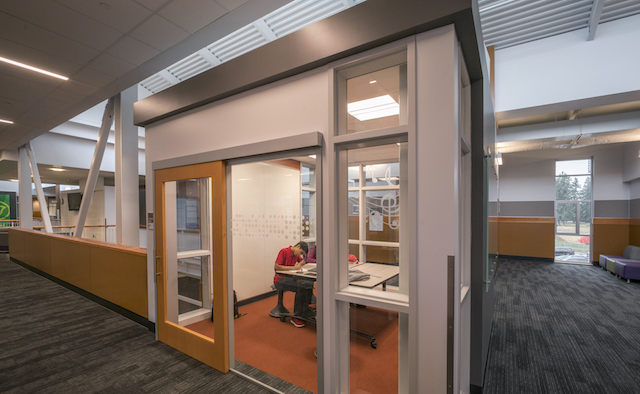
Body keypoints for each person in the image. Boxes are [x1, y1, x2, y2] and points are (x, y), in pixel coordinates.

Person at [274, 241, 315, 328]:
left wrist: (299, 264)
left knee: (308, 283)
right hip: (280, 280)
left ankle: (305, 308)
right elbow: (277, 267)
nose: (299, 255)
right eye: (301, 253)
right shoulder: (284, 251)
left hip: (289, 278)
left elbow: (303, 261)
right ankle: (297, 315)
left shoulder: (295, 255)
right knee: (301, 286)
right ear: (298, 246)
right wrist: (294, 268)